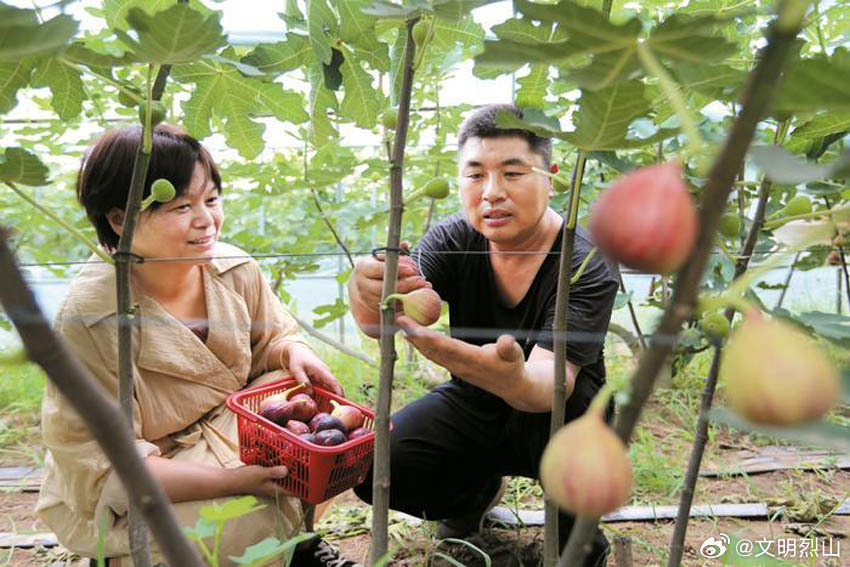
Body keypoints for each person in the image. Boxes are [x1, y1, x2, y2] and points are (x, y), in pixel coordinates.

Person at [36, 124, 360, 567]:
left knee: (301, 406)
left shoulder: (234, 269)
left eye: (210, 199)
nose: (206, 219)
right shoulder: (91, 317)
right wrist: (236, 482)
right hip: (153, 475)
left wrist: (293, 352)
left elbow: (276, 339)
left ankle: (295, 542)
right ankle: (122, 557)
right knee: (244, 521)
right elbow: (108, 467)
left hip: (229, 431)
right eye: (182, 206)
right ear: (118, 219)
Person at [348, 104, 620, 566]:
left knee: (573, 539)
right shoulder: (452, 239)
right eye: (474, 176)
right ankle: (473, 497)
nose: (492, 193)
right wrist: (364, 290)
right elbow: (385, 322)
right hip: (474, 400)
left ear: (550, 176)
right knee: (378, 463)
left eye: (513, 173)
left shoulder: (585, 262)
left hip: (562, 414)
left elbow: (546, 388)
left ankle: (580, 539)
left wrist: (470, 361)